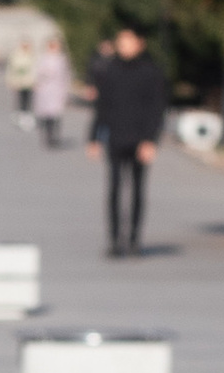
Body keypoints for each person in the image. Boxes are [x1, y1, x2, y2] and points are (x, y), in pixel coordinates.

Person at [89, 24, 170, 254]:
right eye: (120, 40)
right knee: (114, 189)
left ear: (139, 43)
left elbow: (157, 108)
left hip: (140, 140)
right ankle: (114, 240)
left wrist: (150, 140)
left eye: (128, 40)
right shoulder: (109, 70)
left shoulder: (151, 71)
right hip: (115, 137)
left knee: (137, 191)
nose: (123, 45)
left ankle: (134, 239)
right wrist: (94, 137)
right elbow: (102, 106)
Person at [30, 33, 72, 149]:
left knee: (56, 114)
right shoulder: (43, 58)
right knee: (47, 114)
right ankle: (48, 135)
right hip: (45, 89)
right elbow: (37, 72)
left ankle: (55, 135)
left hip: (57, 89)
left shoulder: (62, 59)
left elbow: (67, 75)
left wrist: (66, 90)